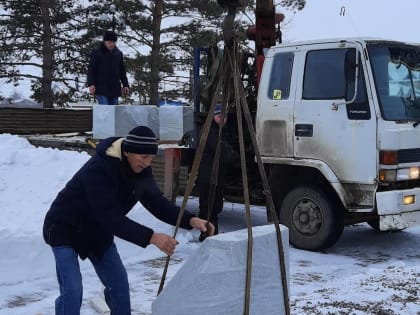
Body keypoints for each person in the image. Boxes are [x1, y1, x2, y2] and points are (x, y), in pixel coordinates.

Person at [43, 126, 214, 315]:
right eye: (143, 157)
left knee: (119, 285)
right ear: (127, 152)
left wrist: (191, 220)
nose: (148, 163)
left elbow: (156, 203)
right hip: (64, 228)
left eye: (151, 158)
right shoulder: (98, 169)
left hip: (98, 231)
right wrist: (152, 237)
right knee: (73, 289)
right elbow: (110, 216)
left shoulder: (140, 170)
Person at [196, 103, 237, 240]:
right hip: (208, 177)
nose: (223, 119)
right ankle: (207, 236)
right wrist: (233, 155)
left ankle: (211, 236)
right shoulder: (210, 132)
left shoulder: (221, 131)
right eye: (219, 116)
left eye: (224, 117)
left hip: (216, 177)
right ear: (213, 117)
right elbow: (223, 152)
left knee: (215, 207)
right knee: (208, 208)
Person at [87, 30, 129, 105]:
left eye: (113, 42)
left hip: (114, 88)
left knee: (114, 112)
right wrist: (91, 84)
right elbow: (91, 69)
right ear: (105, 42)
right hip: (101, 87)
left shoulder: (118, 54)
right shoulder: (97, 53)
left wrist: (125, 85)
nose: (111, 44)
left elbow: (122, 71)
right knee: (105, 110)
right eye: (109, 42)